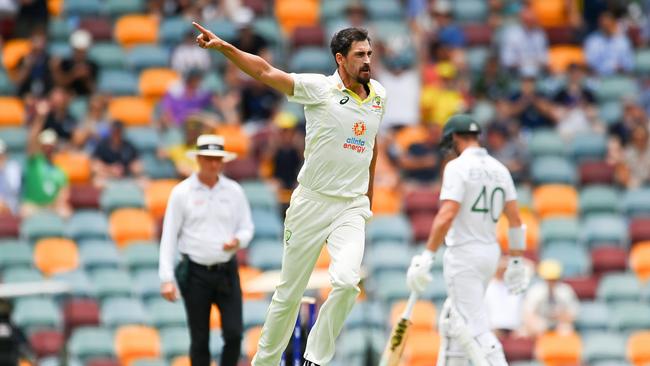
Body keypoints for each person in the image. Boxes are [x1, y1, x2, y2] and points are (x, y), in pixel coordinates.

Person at [192, 23, 385, 366]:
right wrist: (225, 48)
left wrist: (366, 201)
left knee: (346, 282)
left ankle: (315, 359)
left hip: (351, 207)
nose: (367, 60)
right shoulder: (319, 89)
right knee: (289, 295)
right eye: (359, 55)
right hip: (312, 202)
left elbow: (371, 147)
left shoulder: (379, 96)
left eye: (369, 53)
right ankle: (264, 362)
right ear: (341, 59)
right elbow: (265, 71)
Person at [405, 114, 529, 366]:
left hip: (464, 255)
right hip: (489, 254)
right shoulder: (500, 169)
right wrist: (516, 261)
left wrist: (427, 255)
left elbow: (447, 214)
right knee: (452, 320)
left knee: (475, 327)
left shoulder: (457, 167)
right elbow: (515, 220)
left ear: (454, 139)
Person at [158, 134, 254, 366]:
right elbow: (169, 235)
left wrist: (238, 241)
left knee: (234, 334)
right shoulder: (182, 193)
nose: (213, 164)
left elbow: (247, 227)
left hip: (226, 270)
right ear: (199, 159)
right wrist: (166, 278)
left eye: (217, 159)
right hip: (195, 273)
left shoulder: (234, 191)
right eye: (209, 158)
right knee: (199, 339)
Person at [21, 101, 71, 218]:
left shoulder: (60, 171)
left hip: (51, 206)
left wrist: (53, 205)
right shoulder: (34, 161)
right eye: (45, 146)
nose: (48, 149)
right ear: (41, 146)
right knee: (25, 211)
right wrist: (40, 117)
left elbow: (63, 194)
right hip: (32, 205)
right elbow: (32, 138)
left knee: (66, 212)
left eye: (50, 146)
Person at [521, 259, 579, 337]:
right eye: (548, 280)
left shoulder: (565, 291)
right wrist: (538, 325)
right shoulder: (535, 291)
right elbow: (527, 314)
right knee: (523, 333)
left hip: (559, 323)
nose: (551, 283)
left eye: (554, 280)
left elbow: (573, 314)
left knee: (566, 330)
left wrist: (560, 316)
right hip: (540, 322)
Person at [91, 121, 144, 188]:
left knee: (144, 182)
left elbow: (137, 165)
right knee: (97, 182)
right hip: (107, 177)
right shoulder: (102, 145)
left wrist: (130, 168)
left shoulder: (129, 146)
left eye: (118, 132)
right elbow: (95, 166)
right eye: (114, 132)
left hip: (126, 177)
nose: (116, 134)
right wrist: (110, 169)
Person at [584, 10, 634, 76]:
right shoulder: (592, 40)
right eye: (604, 24)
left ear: (613, 23)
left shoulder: (623, 41)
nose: (606, 26)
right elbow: (590, 64)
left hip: (618, 77)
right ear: (600, 24)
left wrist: (621, 68)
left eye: (608, 24)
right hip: (598, 78)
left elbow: (629, 64)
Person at [52, 29, 98, 96]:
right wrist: (73, 75)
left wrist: (86, 78)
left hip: (86, 98)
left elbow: (93, 90)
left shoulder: (92, 65)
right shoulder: (66, 63)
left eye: (82, 51)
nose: (80, 54)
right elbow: (60, 85)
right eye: (77, 51)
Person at [0, 139, 21, 215]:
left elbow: (14, 190)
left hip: (11, 206)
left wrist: (3, 171)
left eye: (1, 154)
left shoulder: (13, 167)